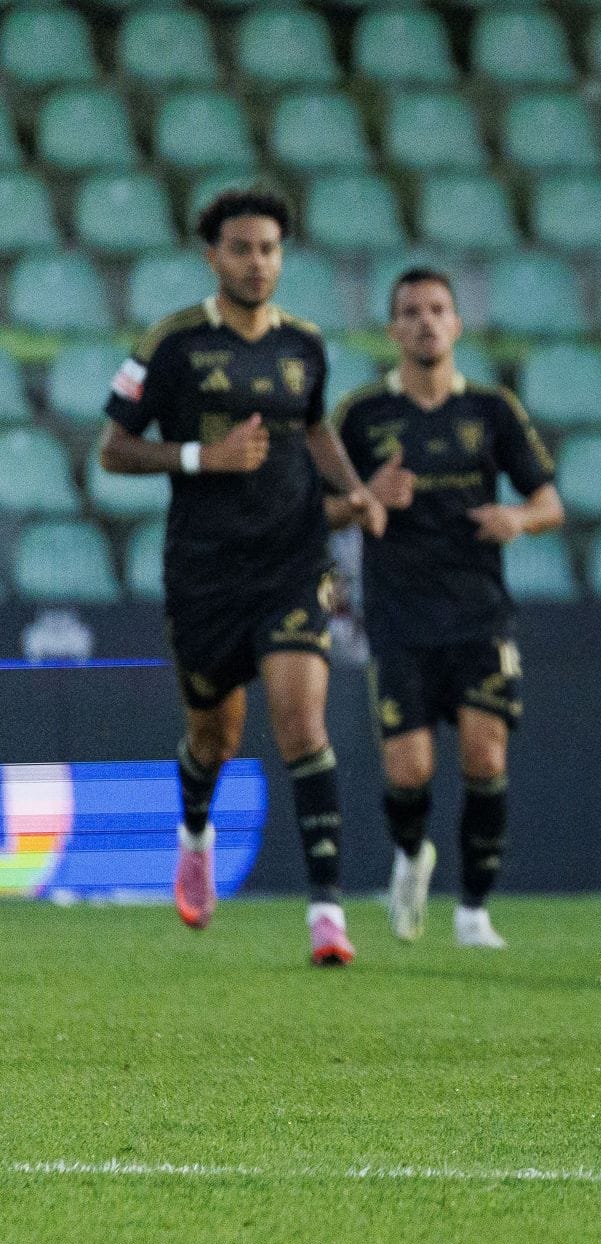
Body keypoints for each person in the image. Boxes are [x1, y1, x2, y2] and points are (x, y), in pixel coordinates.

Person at [99, 188, 387, 966]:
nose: (257, 263)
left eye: (269, 249)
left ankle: (326, 912)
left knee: (302, 725)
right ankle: (195, 835)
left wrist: (355, 490)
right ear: (213, 257)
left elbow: (315, 427)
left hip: (292, 563)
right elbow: (113, 449)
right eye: (242, 249)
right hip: (205, 573)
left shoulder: (305, 345)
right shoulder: (174, 343)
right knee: (214, 737)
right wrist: (204, 456)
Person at [327, 269, 562, 949]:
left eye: (437, 309)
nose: (425, 321)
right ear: (392, 329)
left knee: (486, 757)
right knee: (410, 770)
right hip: (398, 617)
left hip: (478, 614)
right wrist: (368, 498)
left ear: (456, 324)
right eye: (411, 311)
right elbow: (316, 508)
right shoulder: (363, 415)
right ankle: (410, 857)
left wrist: (518, 519)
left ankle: (473, 912)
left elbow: (550, 502)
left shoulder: (491, 409)